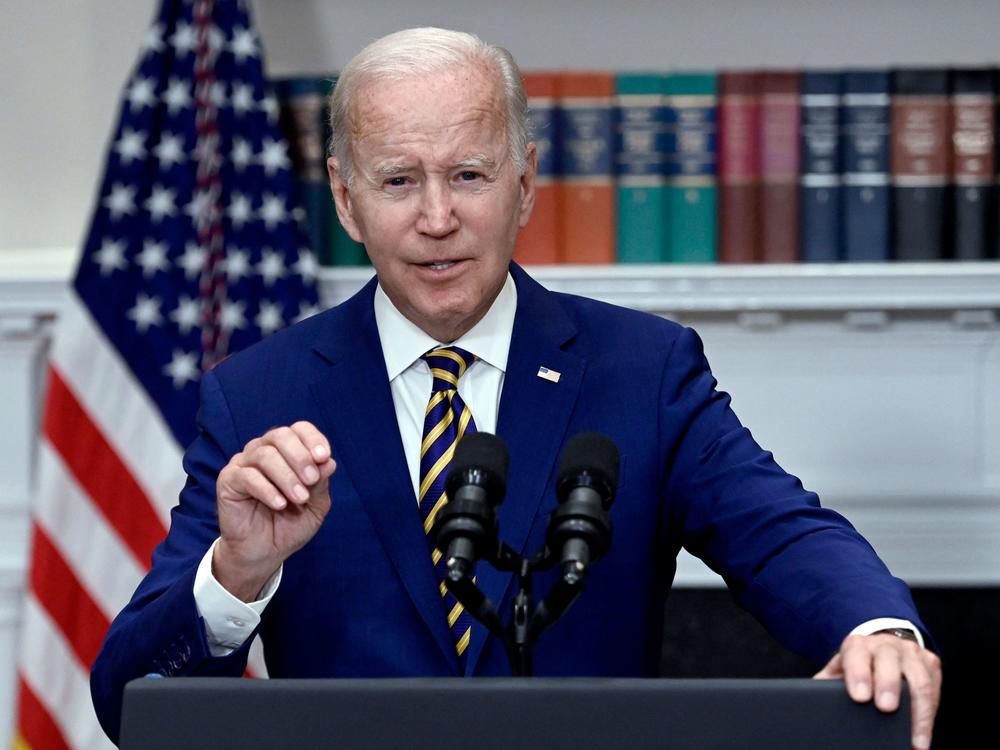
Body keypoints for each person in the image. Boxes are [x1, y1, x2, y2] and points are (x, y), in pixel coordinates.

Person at [90, 27, 941, 748]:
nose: (436, 218)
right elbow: (130, 703)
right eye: (397, 181)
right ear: (347, 203)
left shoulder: (641, 370)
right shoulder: (258, 394)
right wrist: (236, 574)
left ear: (525, 181)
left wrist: (874, 626)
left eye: (469, 175)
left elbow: (782, 532)